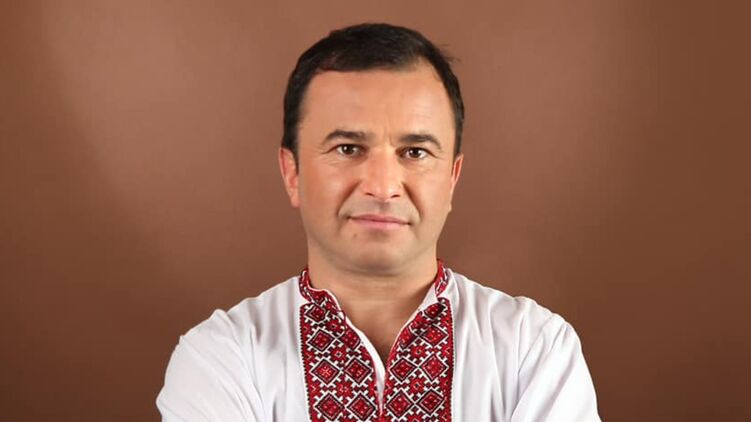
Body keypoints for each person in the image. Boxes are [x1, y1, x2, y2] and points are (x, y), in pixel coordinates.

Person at [157, 23, 601, 421]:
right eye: (348, 149)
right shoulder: (223, 359)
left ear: (452, 178)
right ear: (292, 173)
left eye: (415, 152)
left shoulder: (532, 350)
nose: (383, 186)